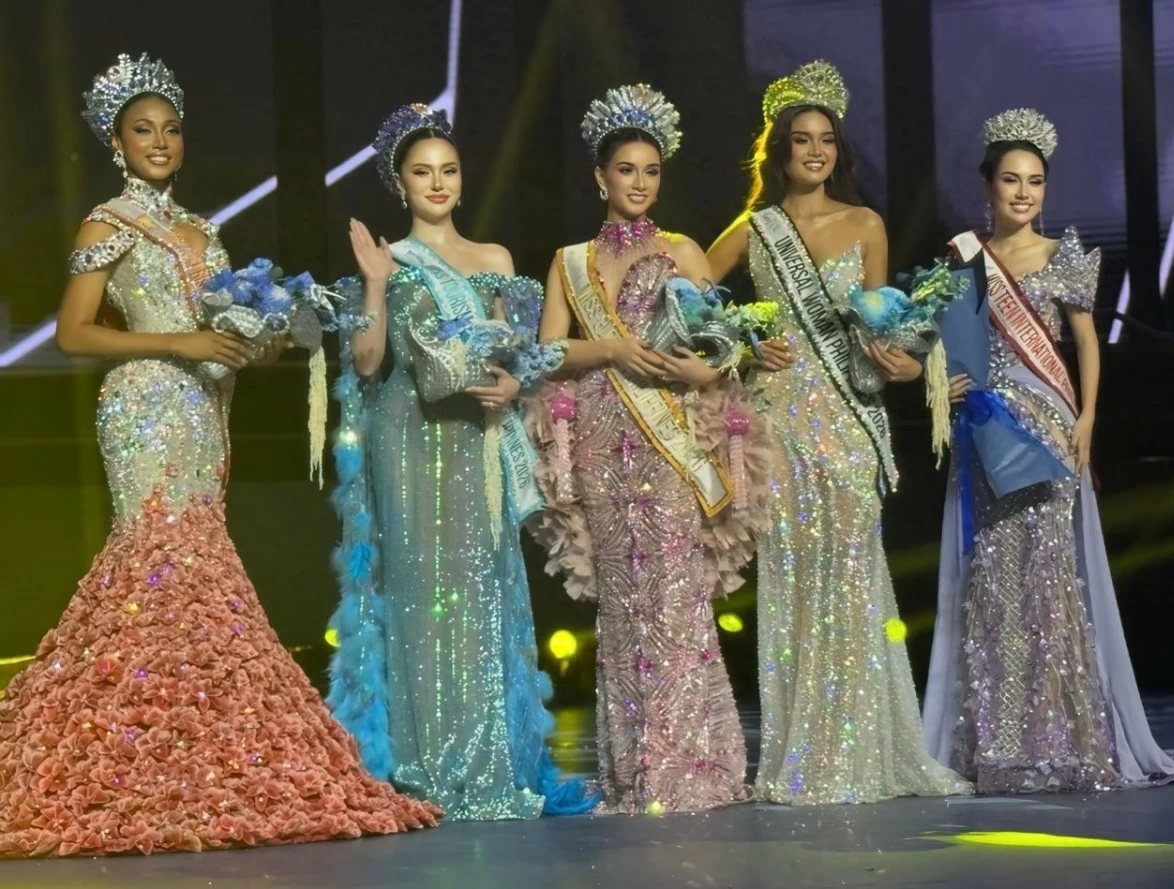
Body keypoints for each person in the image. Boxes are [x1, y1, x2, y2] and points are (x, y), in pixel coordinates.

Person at [0, 55, 439, 858]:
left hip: (205, 406)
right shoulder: (107, 224)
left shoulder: (205, 230)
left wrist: (258, 337)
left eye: (170, 129)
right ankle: (131, 745)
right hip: (145, 403)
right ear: (116, 141)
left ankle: (184, 744)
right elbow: (72, 332)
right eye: (143, 130)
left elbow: (227, 331)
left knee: (195, 564)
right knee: (156, 560)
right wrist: (182, 341)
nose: (160, 142)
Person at [707, 60, 971, 804]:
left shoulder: (867, 226)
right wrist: (745, 343)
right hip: (780, 421)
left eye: (826, 139)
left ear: (837, 150)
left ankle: (862, 744)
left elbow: (877, 332)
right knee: (791, 579)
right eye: (801, 139)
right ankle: (802, 752)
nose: (815, 151)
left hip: (850, 422)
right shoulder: (754, 230)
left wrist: (897, 362)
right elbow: (688, 299)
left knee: (853, 577)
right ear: (780, 150)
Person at [325, 104, 594, 820]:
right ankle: (417, 764)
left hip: (476, 439)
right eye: (422, 172)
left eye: (448, 170)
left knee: (480, 591)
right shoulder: (393, 261)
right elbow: (369, 360)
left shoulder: (497, 261)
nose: (437, 183)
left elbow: (513, 356)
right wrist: (375, 285)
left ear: (462, 180)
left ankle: (485, 757)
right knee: (417, 597)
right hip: (409, 440)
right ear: (401, 184)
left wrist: (515, 381)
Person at [921, 108, 1174, 792]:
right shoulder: (961, 260)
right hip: (985, 432)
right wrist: (945, 383)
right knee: (994, 583)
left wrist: (1089, 418)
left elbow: (1085, 344)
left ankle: (1060, 740)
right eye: (1011, 180)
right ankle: (1000, 743)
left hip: (1047, 431)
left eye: (1035, 182)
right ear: (987, 185)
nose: (1023, 193)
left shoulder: (1063, 256)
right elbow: (948, 345)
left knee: (1047, 583)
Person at [526, 84, 769, 814]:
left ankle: (691, 763)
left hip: (666, 438)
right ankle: (634, 770)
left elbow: (725, 350)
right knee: (623, 604)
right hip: (601, 436)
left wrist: (702, 368)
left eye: (651, 170)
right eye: (626, 169)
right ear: (600, 177)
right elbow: (545, 355)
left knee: (675, 597)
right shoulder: (569, 262)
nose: (639, 182)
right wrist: (608, 347)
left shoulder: (683, 251)